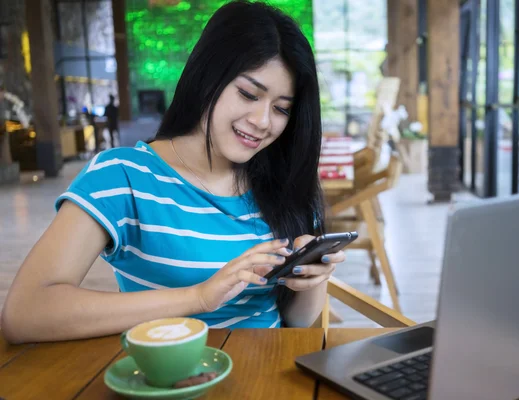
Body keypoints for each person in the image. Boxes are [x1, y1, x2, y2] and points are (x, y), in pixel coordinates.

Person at [1, 1, 345, 344]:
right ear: (208, 77)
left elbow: (298, 323)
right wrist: (198, 297)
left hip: (269, 380)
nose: (263, 121)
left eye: (281, 108)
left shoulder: (285, 183)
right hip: (172, 380)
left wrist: (314, 279)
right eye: (247, 94)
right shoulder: (123, 177)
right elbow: (26, 313)